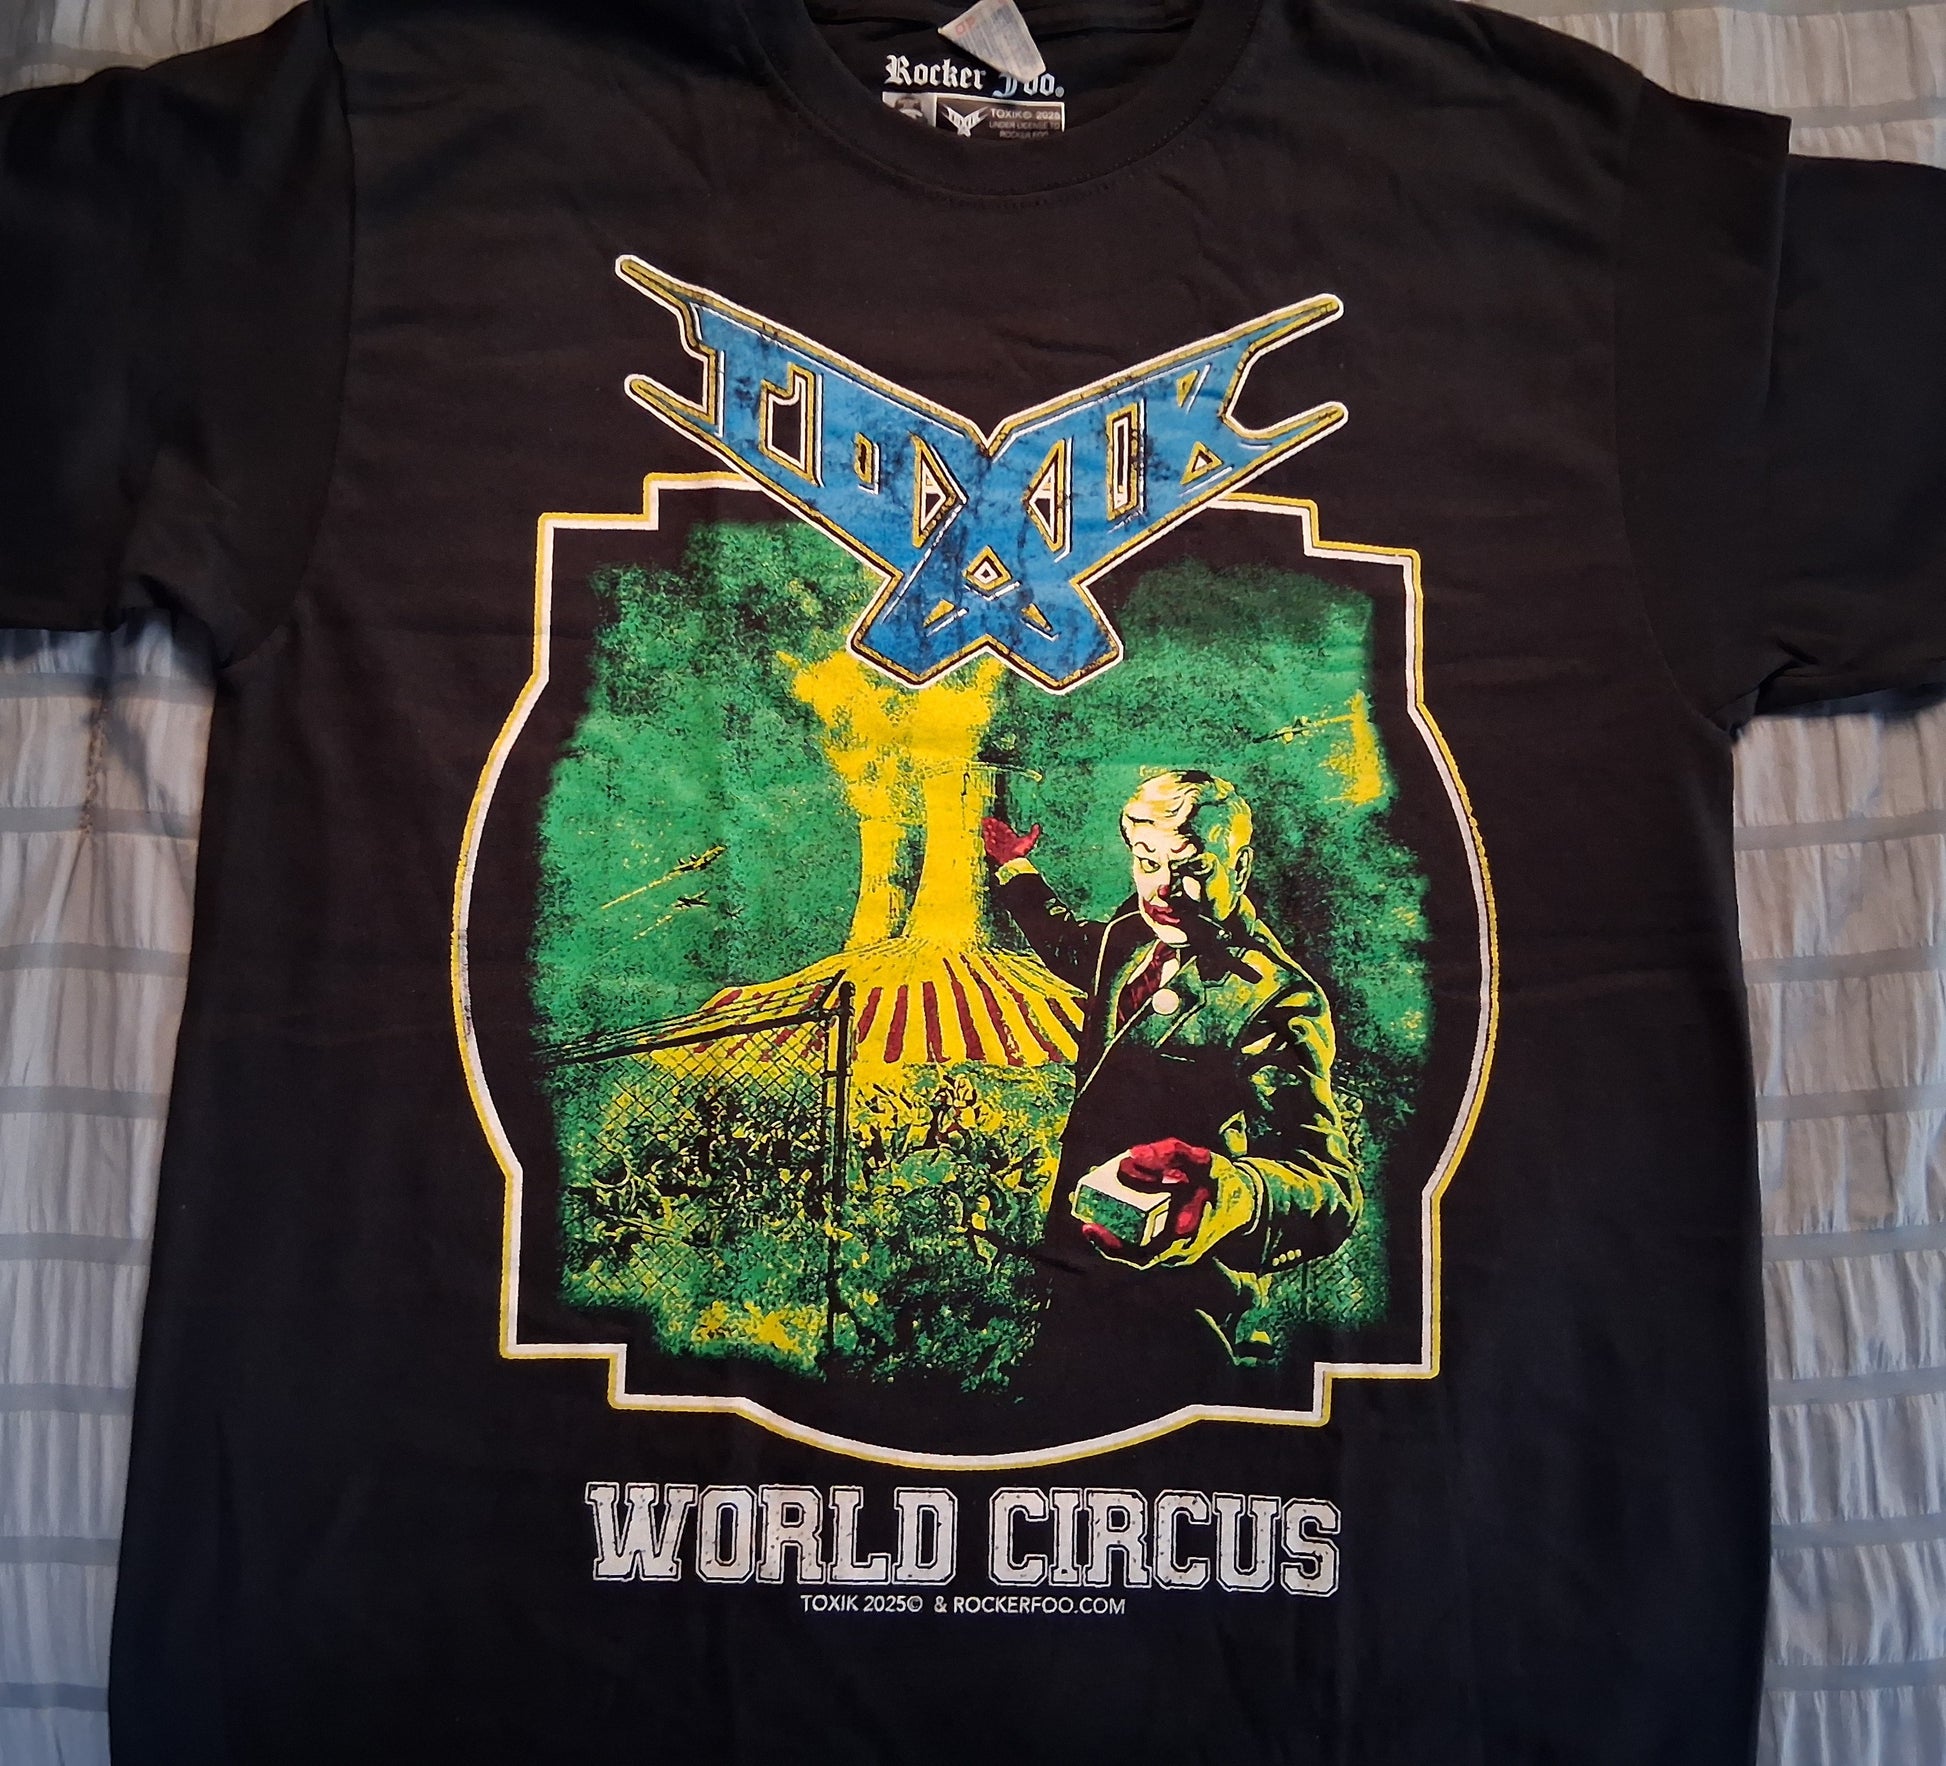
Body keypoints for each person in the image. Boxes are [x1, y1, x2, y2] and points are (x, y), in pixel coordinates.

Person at [984, 770, 1363, 1366]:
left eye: (1191, 868)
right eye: (1147, 862)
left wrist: (1226, 1194)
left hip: (1184, 1302)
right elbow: (1068, 943)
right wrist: (1015, 868)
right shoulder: (1129, 937)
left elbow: (1329, 1189)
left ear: (1239, 867)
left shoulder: (1273, 996)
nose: (1164, 889)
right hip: (1078, 1268)